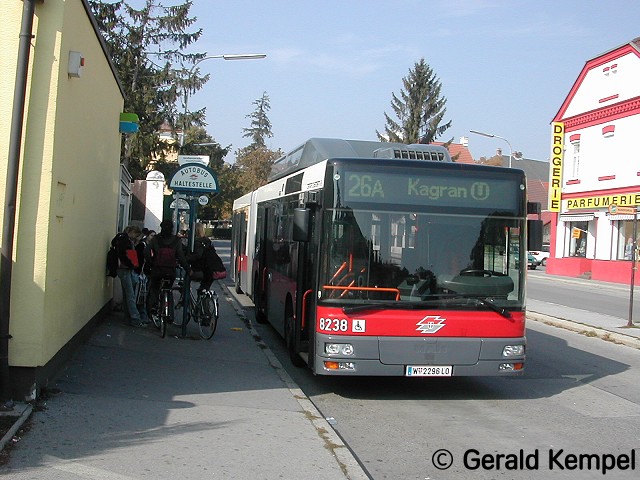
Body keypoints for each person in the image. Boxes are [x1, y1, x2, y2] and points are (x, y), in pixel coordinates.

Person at [145, 220, 189, 319]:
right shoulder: (176, 240)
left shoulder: (156, 239)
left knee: (155, 287)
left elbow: (146, 251)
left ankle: (154, 305)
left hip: (157, 269)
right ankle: (169, 315)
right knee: (168, 289)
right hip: (170, 270)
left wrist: (151, 262)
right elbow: (181, 256)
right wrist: (188, 269)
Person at [115, 225, 146, 327]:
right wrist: (132, 264)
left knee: (127, 293)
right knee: (130, 294)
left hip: (124, 268)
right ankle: (135, 318)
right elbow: (125, 255)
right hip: (125, 268)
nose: (136, 237)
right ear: (132, 232)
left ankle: (128, 316)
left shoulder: (123, 239)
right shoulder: (125, 240)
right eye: (136, 235)